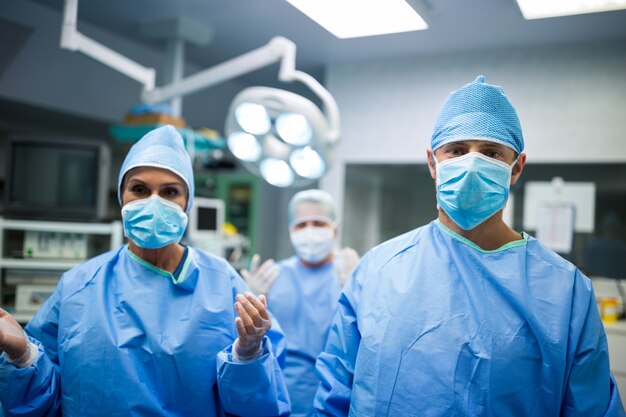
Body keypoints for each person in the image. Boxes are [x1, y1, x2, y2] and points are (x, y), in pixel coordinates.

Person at [314, 76, 626, 416]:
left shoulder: (565, 291)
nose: (471, 164)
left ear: (516, 167)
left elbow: (591, 408)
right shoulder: (377, 271)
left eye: (490, 153)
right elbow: (334, 397)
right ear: (433, 163)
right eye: (457, 151)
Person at [0, 125, 290, 416]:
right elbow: (44, 401)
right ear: (122, 197)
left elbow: (260, 406)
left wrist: (248, 353)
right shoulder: (80, 285)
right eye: (139, 189)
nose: (154, 201)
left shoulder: (222, 282)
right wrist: (22, 355)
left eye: (169, 192)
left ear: (186, 203)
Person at [242, 190, 359, 417]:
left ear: (335, 230)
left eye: (318, 223)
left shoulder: (348, 275)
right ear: (291, 231)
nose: (310, 231)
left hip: (333, 394)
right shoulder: (272, 277)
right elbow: (250, 345)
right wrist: (251, 300)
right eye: (301, 225)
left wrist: (356, 294)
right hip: (277, 394)